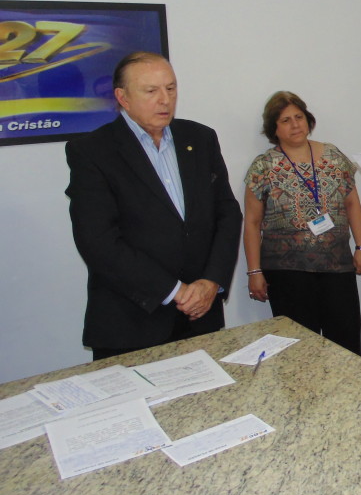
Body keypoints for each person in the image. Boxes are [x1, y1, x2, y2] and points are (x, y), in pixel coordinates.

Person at [65, 52, 242, 359]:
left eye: (171, 89)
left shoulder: (200, 138)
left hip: (201, 316)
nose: (165, 100)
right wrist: (175, 291)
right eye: (151, 91)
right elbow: (98, 240)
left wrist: (211, 281)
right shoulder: (92, 151)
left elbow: (227, 214)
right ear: (123, 97)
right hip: (132, 322)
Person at [243, 91, 361, 354]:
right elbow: (253, 223)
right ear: (274, 129)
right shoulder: (263, 166)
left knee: (345, 347)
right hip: (286, 275)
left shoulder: (334, 156)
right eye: (285, 120)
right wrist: (254, 272)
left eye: (299, 117)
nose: (295, 125)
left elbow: (353, 204)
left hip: (337, 268)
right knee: (299, 352)